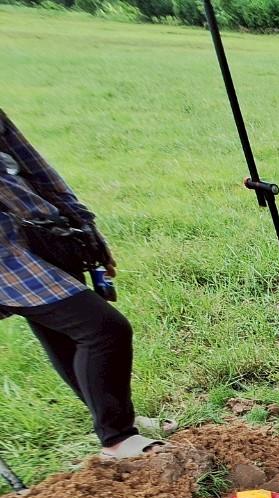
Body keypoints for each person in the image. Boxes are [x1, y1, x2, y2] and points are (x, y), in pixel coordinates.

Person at [0, 109, 165, 459]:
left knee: (64, 333)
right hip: (6, 257)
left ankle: (120, 422)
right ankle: (117, 437)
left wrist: (81, 224)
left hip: (43, 231)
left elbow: (35, 167)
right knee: (103, 328)